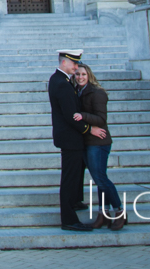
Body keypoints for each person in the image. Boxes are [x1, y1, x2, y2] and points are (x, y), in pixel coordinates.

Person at [74, 63, 126, 230]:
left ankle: (119, 211)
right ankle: (103, 215)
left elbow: (101, 119)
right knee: (98, 179)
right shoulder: (78, 92)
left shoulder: (97, 93)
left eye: (83, 74)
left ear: (89, 75)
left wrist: (82, 116)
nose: (80, 77)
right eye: (77, 75)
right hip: (87, 142)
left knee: (101, 179)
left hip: (99, 143)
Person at [48, 49, 93, 232]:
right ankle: (68, 219)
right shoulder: (62, 83)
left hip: (69, 137)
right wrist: (88, 129)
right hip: (70, 137)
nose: (76, 67)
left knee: (76, 171)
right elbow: (70, 115)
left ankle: (75, 201)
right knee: (69, 177)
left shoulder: (60, 80)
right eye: (74, 63)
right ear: (64, 62)